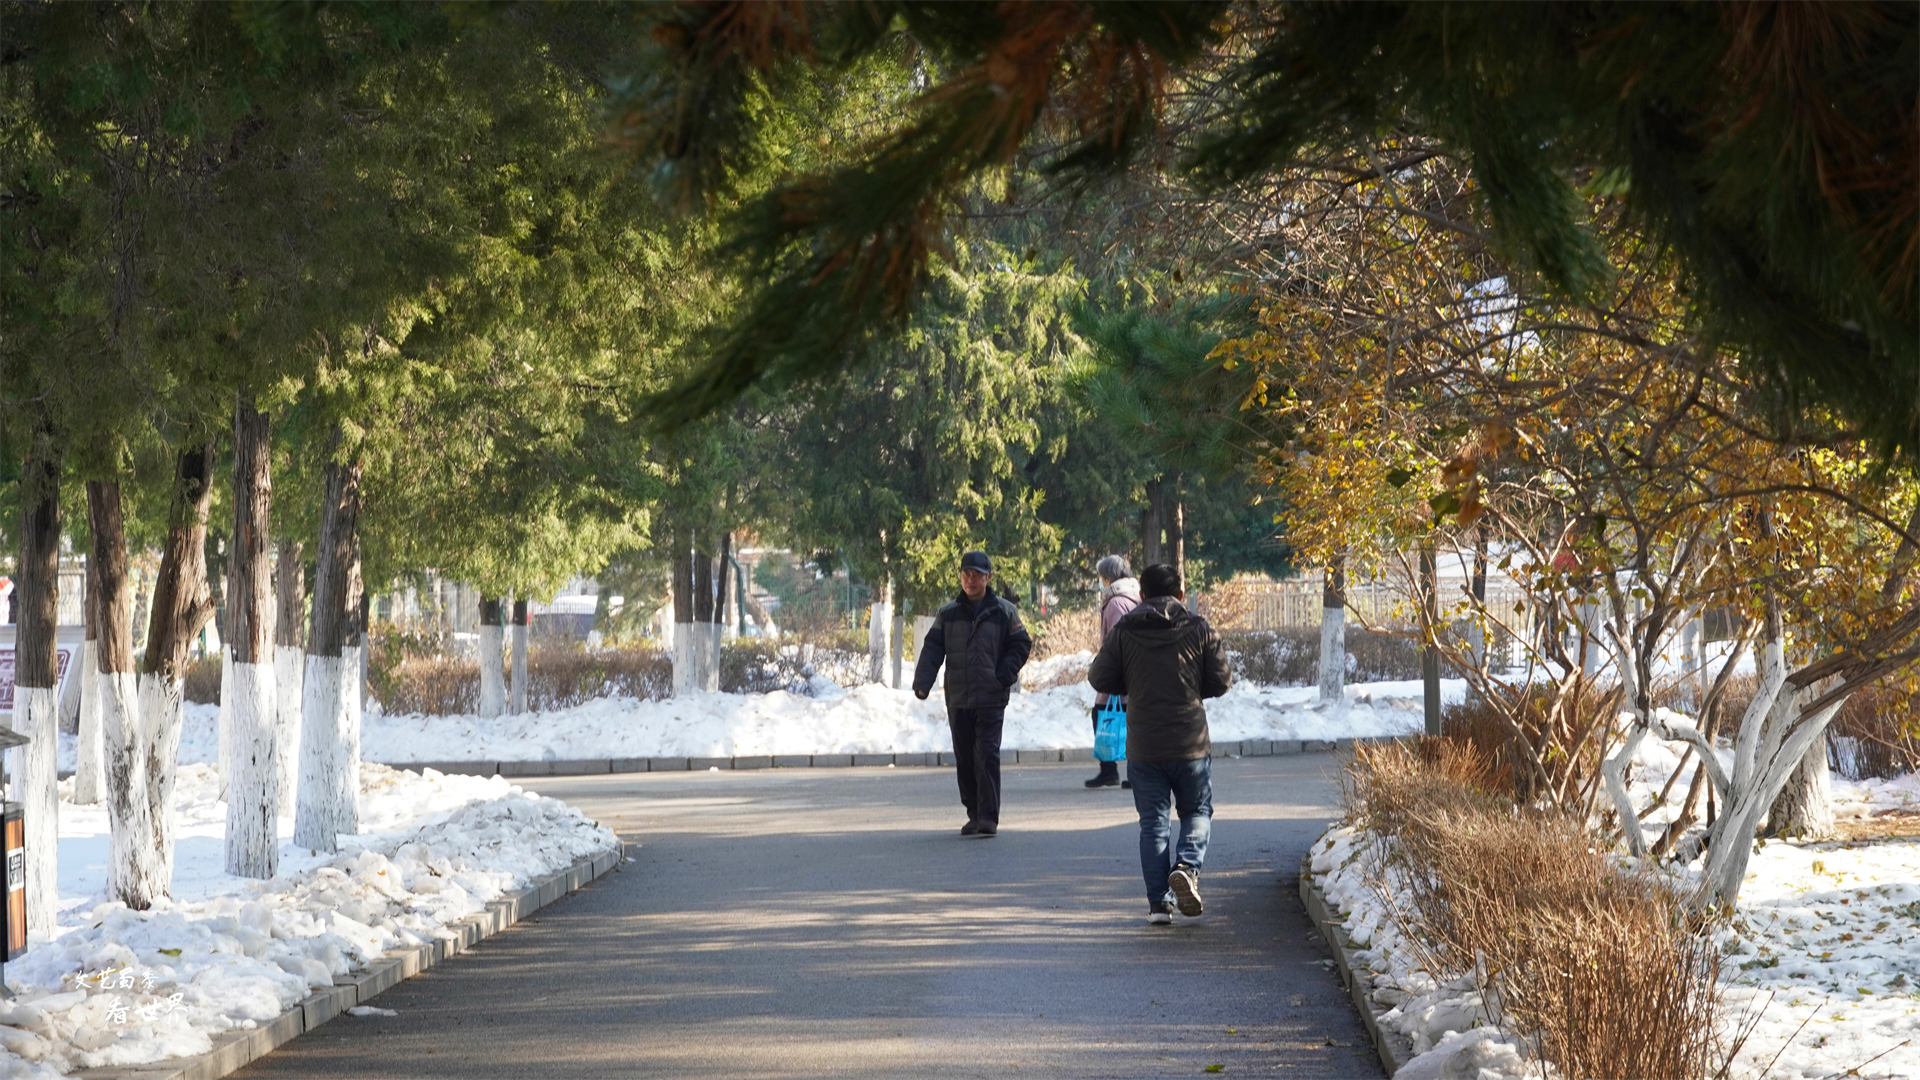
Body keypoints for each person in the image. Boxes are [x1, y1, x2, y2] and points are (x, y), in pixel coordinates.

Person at [1087, 562, 1231, 924]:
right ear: (1181, 595)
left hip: (1144, 745)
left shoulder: (1125, 629)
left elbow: (1099, 676)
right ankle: (1186, 865)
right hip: (1190, 743)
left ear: (1143, 596)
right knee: (1196, 812)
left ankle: (1158, 905)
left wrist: (1133, 684)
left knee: (1153, 823)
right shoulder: (1198, 627)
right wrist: (1194, 688)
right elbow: (1222, 680)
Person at [913, 550, 1033, 837]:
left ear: (988, 578)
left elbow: (1021, 644)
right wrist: (923, 682)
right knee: (965, 757)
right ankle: (973, 813)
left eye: (977, 575)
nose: (971, 580)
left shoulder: (1004, 611)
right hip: (958, 697)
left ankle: (988, 817)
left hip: (991, 697)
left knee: (987, 755)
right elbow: (932, 649)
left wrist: (1003, 674)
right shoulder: (948, 612)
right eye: (966, 574)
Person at [1085, 554, 1140, 789]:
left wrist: (1110, 669)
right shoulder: (1132, 595)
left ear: (1108, 578)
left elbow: (1117, 639)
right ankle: (1125, 771)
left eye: (1101, 577)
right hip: (1131, 669)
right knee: (1128, 719)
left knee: (1102, 715)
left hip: (1118, 670)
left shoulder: (1117, 602)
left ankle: (1111, 771)